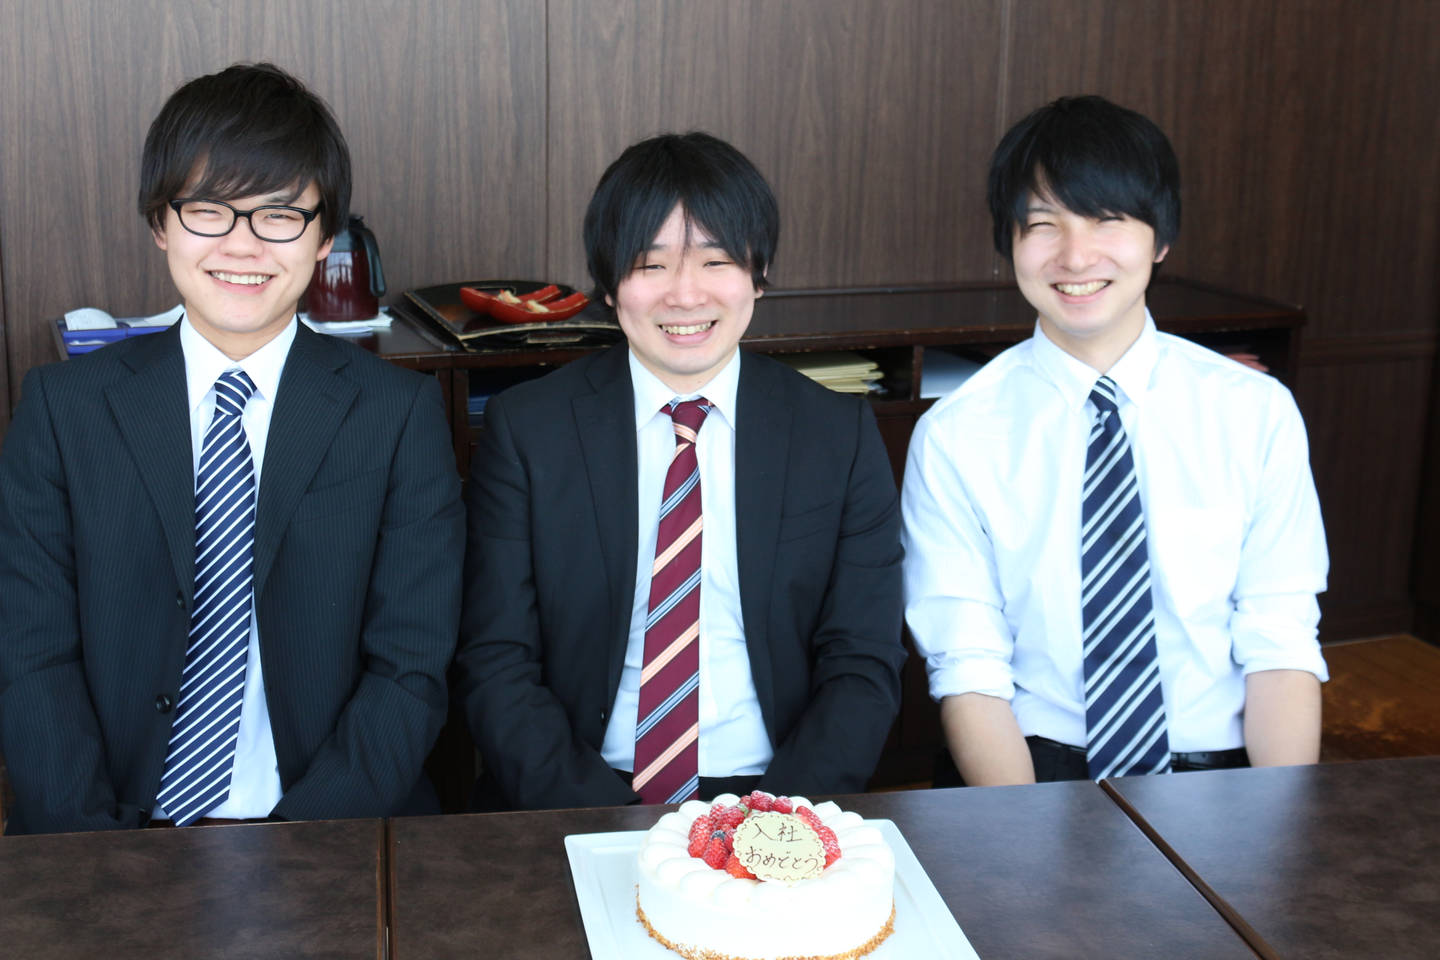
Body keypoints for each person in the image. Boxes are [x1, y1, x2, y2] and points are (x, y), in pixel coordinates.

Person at [0, 63, 463, 833]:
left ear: (324, 236)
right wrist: (99, 854)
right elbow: (31, 655)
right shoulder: (62, 409)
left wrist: (302, 849)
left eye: (279, 214)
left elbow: (410, 668)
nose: (243, 246)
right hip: (109, 832)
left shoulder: (396, 415)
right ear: (160, 222)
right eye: (209, 210)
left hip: (329, 831)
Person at [455, 132, 906, 810]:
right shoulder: (529, 431)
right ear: (609, 284)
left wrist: (774, 825)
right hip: (581, 792)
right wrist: (605, 825)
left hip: (777, 797)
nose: (686, 295)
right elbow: (496, 661)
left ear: (758, 273)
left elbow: (863, 663)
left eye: (716, 261)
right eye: (652, 264)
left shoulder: (836, 435)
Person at [903, 96, 1328, 787]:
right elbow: (967, 666)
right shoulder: (955, 433)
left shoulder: (1255, 412)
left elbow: (1280, 643)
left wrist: (1278, 822)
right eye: (1044, 224)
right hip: (1029, 768)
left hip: (1223, 772)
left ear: (1160, 240)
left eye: (1107, 219)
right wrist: (1020, 831)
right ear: (1009, 243)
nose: (1076, 256)